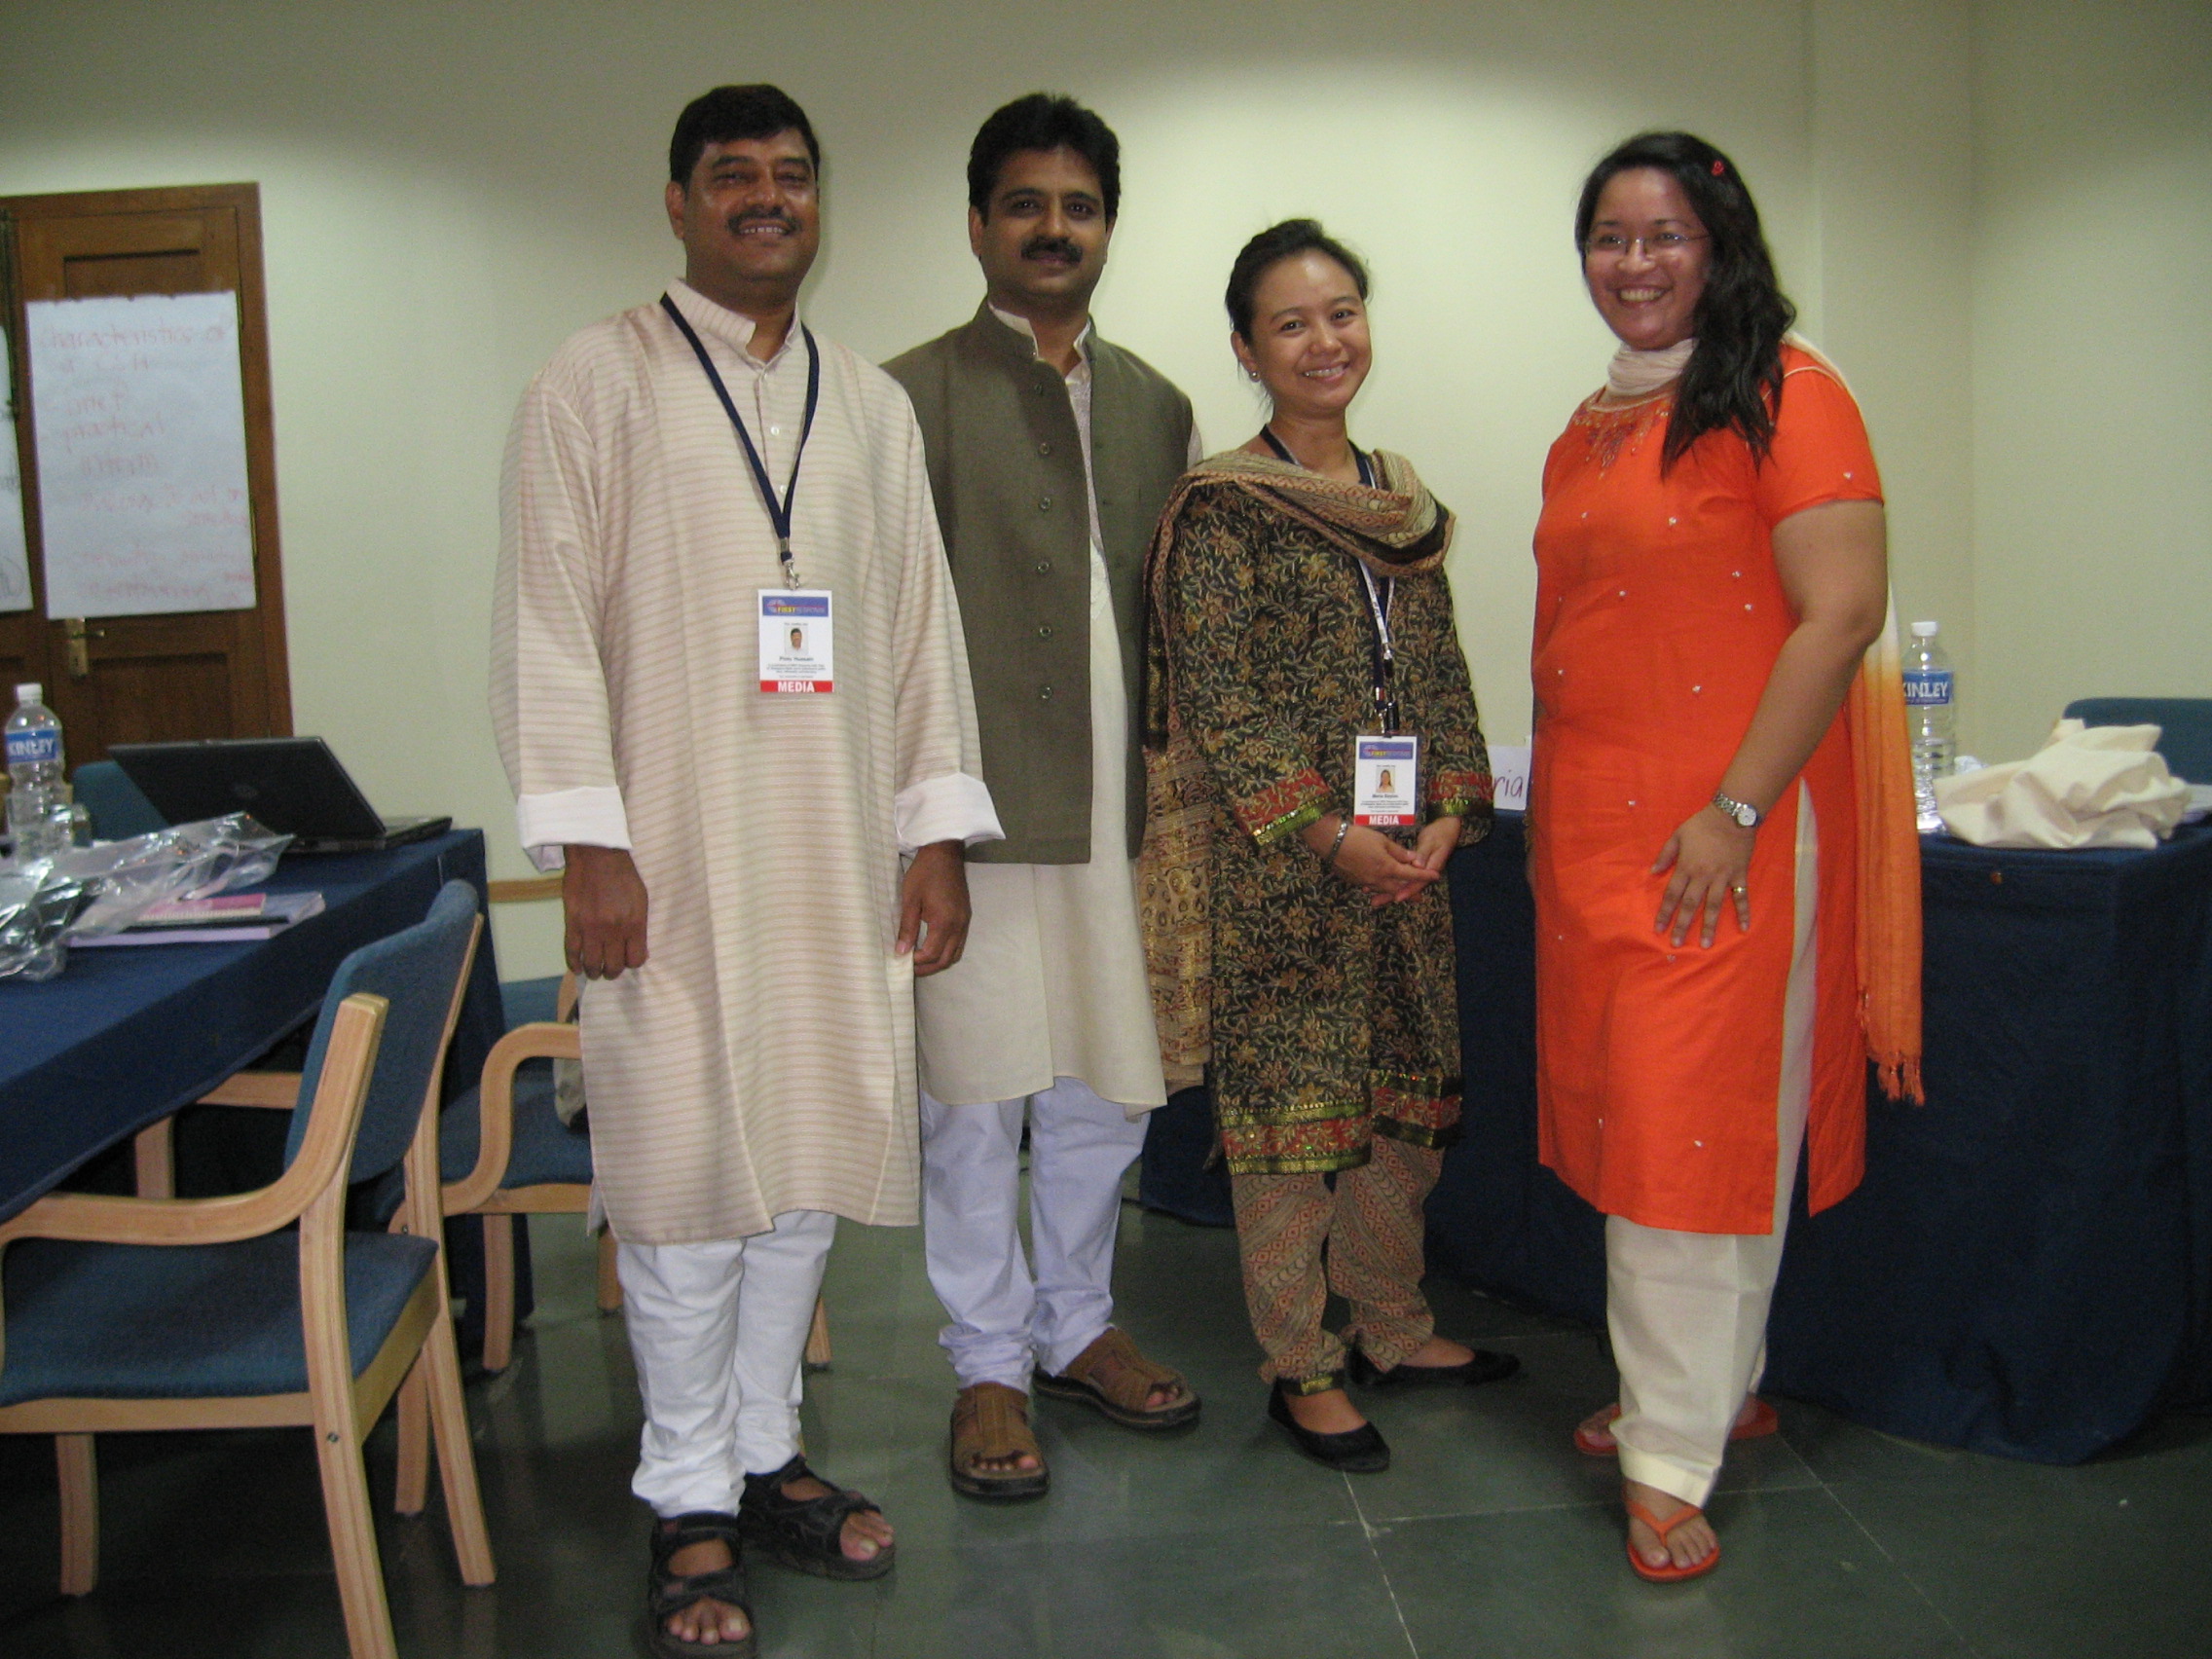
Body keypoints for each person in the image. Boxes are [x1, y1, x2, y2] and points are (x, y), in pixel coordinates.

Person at [492, 84, 1003, 1655]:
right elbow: (545, 621)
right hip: (670, 857)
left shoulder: (869, 403)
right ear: (676, 202)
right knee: (681, 1183)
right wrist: (590, 845)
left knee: (800, 1174)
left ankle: (767, 1453)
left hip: (839, 852)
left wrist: (935, 832)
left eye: (792, 176)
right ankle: (686, 1493)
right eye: (734, 178)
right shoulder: (594, 380)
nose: (767, 199)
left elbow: (921, 626)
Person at [1529, 130, 1922, 1583]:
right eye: (1611, 237)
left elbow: (1840, 615)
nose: (1635, 264)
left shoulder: (1789, 394)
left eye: (1666, 234)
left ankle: (1669, 1450)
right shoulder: (1592, 423)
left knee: (1690, 1125)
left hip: (1724, 834)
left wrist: (1739, 811)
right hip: (1597, 834)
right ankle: (1709, 1379)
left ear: (1722, 246)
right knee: (1656, 1123)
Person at [1143, 219, 1518, 1477]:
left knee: (1404, 1114)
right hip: (1287, 876)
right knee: (1294, 1130)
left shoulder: (1402, 506)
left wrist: (1454, 806)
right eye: (1294, 322)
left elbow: (1445, 674)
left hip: (1410, 865)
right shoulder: (1224, 508)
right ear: (1248, 348)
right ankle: (1301, 1363)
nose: (1326, 340)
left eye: (1343, 312)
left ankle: (1394, 1326)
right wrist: (1324, 831)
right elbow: (1220, 694)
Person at [885, 92, 1201, 1502]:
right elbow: (891, 627)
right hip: (976, 814)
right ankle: (987, 1364)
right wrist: (921, 826)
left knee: (1100, 1089)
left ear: (1107, 229)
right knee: (973, 1097)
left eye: (1078, 207)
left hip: (1121, 817)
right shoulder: (907, 394)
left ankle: (1078, 1324)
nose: (1052, 228)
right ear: (978, 224)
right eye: (1025, 204)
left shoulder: (1156, 403)